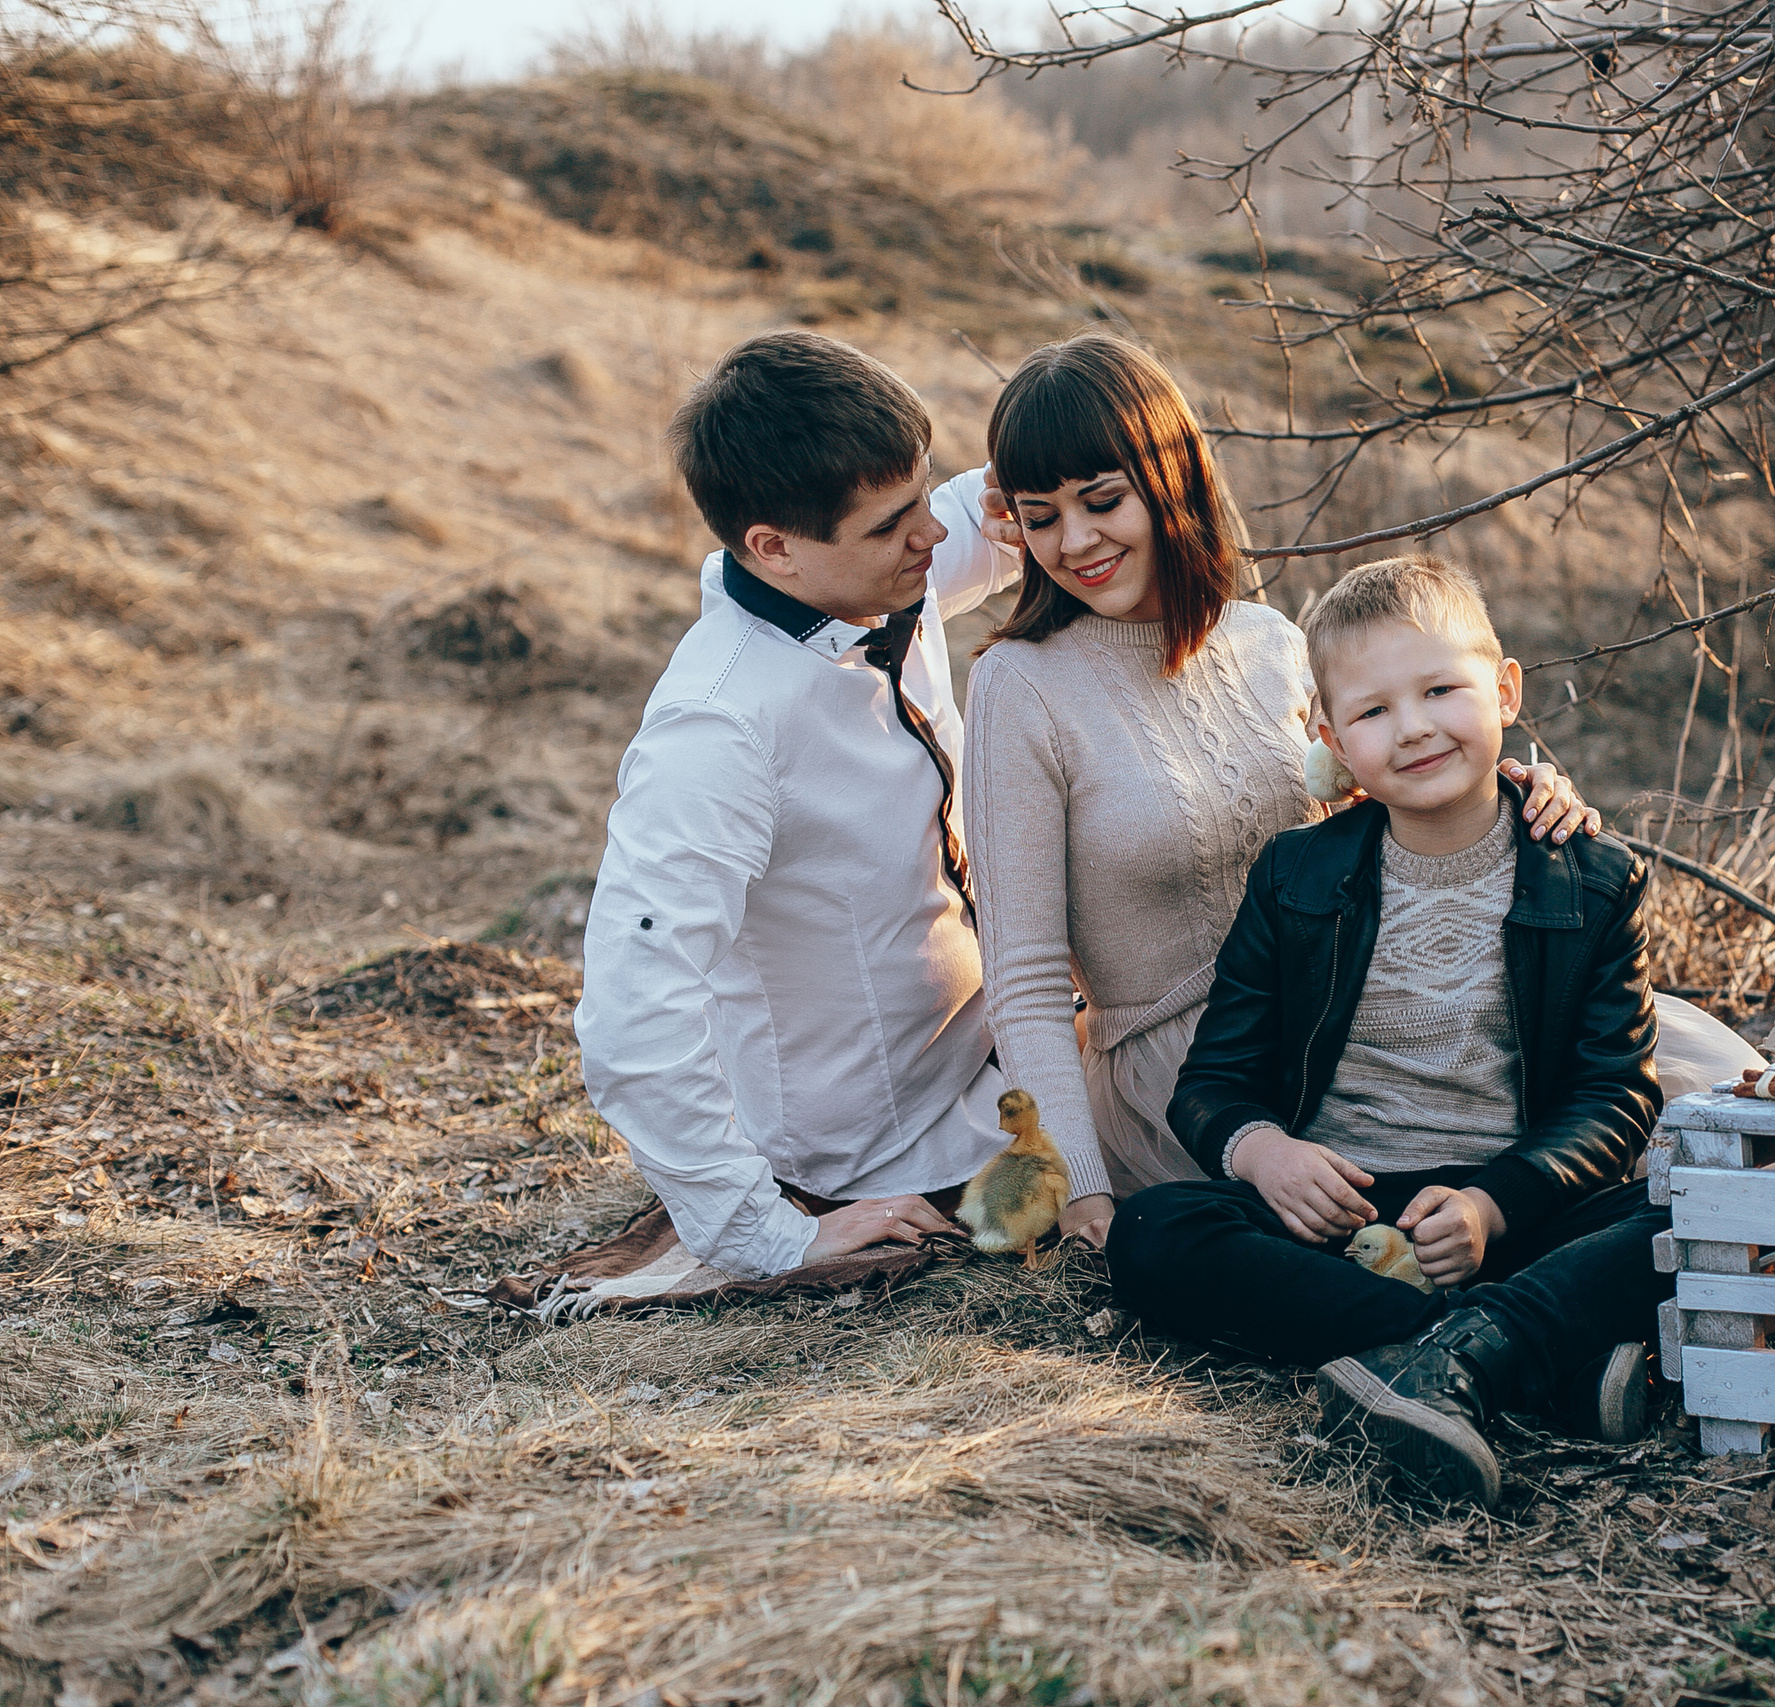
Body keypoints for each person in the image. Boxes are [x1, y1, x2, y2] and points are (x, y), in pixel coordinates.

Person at [960, 335, 1605, 1248]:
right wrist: (1083, 1194)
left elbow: (1383, 811)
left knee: (1639, 1087)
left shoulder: (1267, 639)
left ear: (1171, 480)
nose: (1076, 542)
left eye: (1103, 501)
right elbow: (1021, 980)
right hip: (1189, 1075)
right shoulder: (1019, 687)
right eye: (1040, 517)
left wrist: (1515, 797)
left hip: (1356, 1003)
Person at [1108, 555, 1682, 1507]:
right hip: (1341, 1221)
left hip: (1508, 1213)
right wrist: (1267, 1156)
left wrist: (1492, 1206)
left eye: (1441, 690)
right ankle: (1512, 1354)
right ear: (1330, 736)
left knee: (1694, 1208)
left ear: (1504, 690)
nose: (1413, 728)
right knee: (1155, 1230)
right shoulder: (1297, 876)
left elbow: (1615, 1095)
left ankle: (1459, 1349)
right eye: (1372, 711)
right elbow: (1214, 1081)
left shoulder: (1586, 879)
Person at [574, 331, 1021, 1279]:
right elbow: (630, 1012)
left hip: (1001, 1055)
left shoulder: (865, 566)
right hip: (879, 1153)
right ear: (772, 549)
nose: (932, 536)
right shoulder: (717, 728)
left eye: (922, 495)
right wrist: (767, 1237)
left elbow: (997, 507)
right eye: (893, 522)